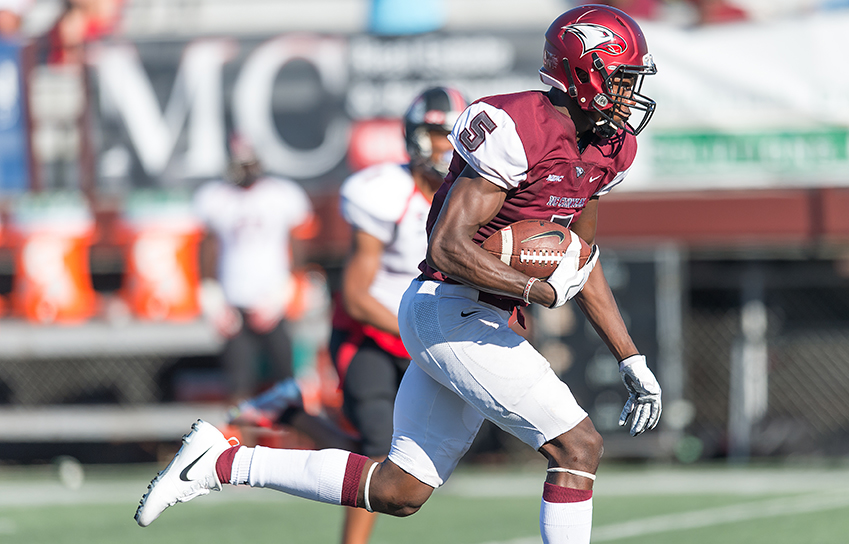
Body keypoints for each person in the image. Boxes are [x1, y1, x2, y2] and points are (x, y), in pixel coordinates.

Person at [135, 6, 663, 543]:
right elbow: (448, 247)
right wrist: (532, 288)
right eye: (622, 80)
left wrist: (631, 359)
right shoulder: (519, 127)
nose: (629, 96)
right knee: (577, 446)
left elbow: (581, 256)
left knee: (399, 490)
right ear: (584, 71)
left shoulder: (610, 147)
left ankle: (219, 462)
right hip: (448, 306)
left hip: (482, 319)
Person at [227, 86, 468, 544]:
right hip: (371, 333)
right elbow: (356, 295)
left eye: (451, 134)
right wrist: (420, 328)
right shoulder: (383, 192)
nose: (444, 146)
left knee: (396, 463)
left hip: (429, 338)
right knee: (379, 454)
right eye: (436, 133)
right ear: (415, 136)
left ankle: (293, 410)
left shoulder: (472, 194)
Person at [192, 135, 317, 404]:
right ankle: (240, 444)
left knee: (287, 379)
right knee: (238, 383)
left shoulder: (281, 194)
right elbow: (208, 246)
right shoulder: (216, 197)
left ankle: (294, 439)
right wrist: (211, 294)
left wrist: (283, 293)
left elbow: (297, 246)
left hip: (273, 299)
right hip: (234, 302)